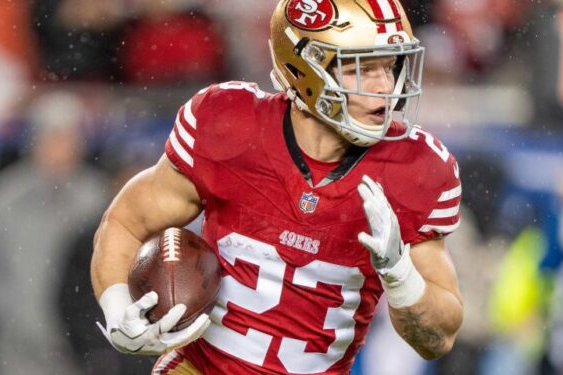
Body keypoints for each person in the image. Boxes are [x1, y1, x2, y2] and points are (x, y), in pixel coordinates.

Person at [91, 1, 464, 374]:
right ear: (304, 68)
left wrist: (401, 276)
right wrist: (118, 307)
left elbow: (438, 339)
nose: (386, 86)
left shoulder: (417, 169)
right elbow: (126, 223)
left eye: (391, 65)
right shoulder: (229, 125)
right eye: (362, 68)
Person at [0, 91, 109, 375]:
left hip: (79, 349)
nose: (58, 147)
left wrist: (87, 329)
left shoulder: (98, 197)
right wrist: (6, 316)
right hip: (14, 346)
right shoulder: (6, 195)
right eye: (51, 136)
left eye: (67, 137)